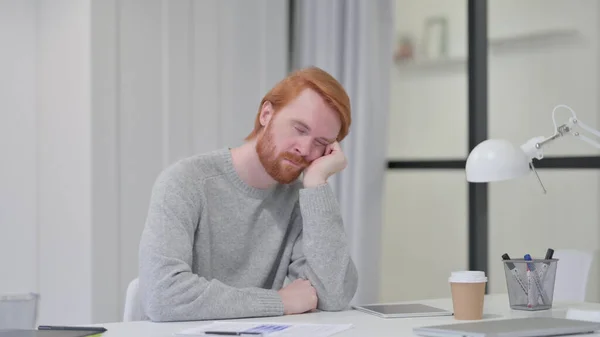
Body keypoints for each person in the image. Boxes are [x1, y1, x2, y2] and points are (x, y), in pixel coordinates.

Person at [138, 66, 359, 322]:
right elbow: (162, 297)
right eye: (299, 129)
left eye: (321, 143)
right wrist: (280, 301)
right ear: (267, 114)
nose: (305, 148)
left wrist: (317, 184)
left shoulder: (302, 200)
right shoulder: (185, 182)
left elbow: (334, 296)